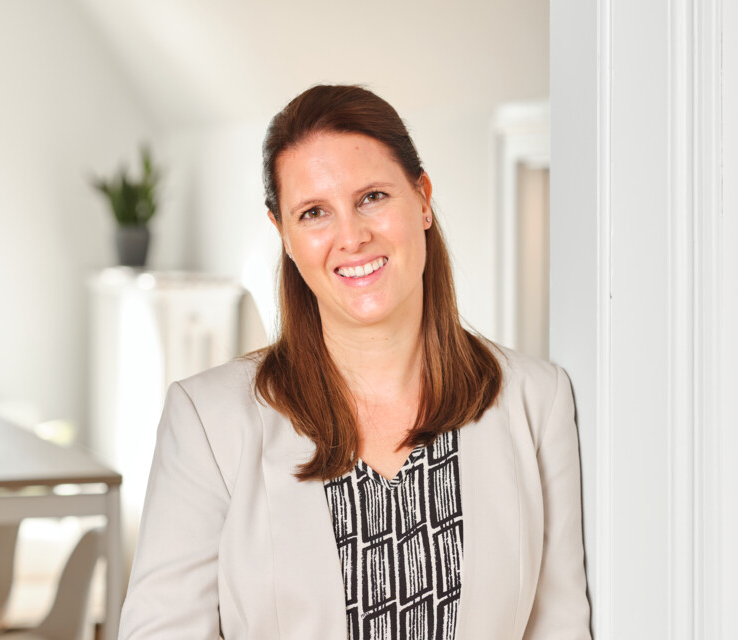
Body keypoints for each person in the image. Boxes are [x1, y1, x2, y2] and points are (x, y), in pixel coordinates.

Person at [118, 84, 591, 640]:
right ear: (284, 235)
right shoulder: (207, 420)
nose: (352, 237)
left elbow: (560, 627)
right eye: (314, 212)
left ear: (422, 200)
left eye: (372, 197)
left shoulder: (538, 401)